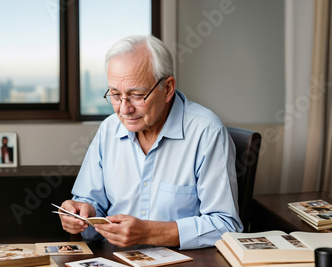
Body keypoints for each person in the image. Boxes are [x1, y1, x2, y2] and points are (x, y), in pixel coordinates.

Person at [58, 35, 243, 250]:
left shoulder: (206, 132)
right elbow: (90, 201)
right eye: (115, 95)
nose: (124, 109)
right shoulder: (109, 129)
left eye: (136, 95)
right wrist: (81, 212)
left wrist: (149, 233)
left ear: (168, 88)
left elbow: (226, 226)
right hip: (115, 262)